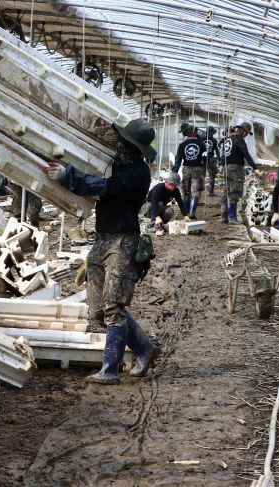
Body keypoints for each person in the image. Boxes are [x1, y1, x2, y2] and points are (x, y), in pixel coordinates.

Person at [45, 118, 159, 384]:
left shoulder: (138, 173)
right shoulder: (117, 166)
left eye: (125, 144)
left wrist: (68, 177)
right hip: (102, 240)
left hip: (123, 243)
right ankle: (144, 348)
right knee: (97, 309)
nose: (120, 147)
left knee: (114, 307)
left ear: (136, 150)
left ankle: (110, 369)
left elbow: (104, 188)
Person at [219, 122, 263, 223]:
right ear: (242, 130)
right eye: (246, 132)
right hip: (235, 168)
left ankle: (223, 216)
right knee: (234, 191)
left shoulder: (228, 139)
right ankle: (232, 217)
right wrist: (255, 168)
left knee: (226, 191)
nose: (246, 135)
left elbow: (224, 154)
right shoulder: (239, 140)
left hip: (227, 168)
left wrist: (221, 164)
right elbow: (246, 154)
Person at [172, 123, 205, 219]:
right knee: (195, 191)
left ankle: (186, 213)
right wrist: (203, 166)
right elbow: (205, 158)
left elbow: (178, 160)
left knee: (185, 191)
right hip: (197, 170)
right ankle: (192, 212)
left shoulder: (182, 145)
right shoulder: (201, 144)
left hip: (186, 169)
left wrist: (174, 172)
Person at [201, 126, 220, 196]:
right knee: (212, 176)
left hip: (202, 159)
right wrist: (219, 160)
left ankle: (199, 192)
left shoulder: (202, 139)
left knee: (202, 176)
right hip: (211, 159)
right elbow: (217, 150)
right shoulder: (214, 141)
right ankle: (211, 191)